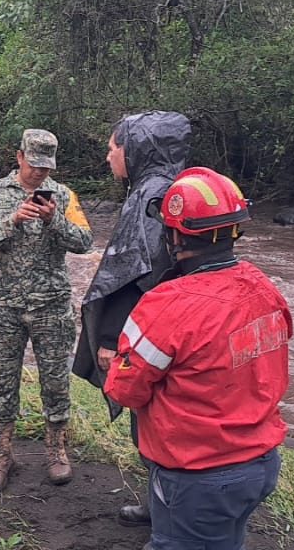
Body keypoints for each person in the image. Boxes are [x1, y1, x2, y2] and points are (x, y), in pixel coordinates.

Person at [104, 167, 291, 550]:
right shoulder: (263, 288)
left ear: (174, 235)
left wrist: (112, 365)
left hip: (199, 474)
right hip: (260, 463)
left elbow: (126, 390)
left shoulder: (165, 304)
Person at [73, 111, 191, 526]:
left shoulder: (148, 197)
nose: (107, 157)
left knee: (156, 425)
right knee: (162, 420)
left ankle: (168, 518)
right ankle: (161, 505)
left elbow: (130, 276)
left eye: (112, 147)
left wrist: (108, 339)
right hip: (175, 328)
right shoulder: (174, 188)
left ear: (136, 148)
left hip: (149, 333)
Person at [0, 128, 94, 491]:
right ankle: (2, 455)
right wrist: (13, 220)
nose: (39, 173)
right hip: (4, 305)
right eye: (34, 165)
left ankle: (56, 451)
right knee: (1, 381)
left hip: (51, 305)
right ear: (20, 157)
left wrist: (55, 219)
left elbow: (85, 242)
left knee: (55, 381)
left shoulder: (64, 195)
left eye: (46, 167)